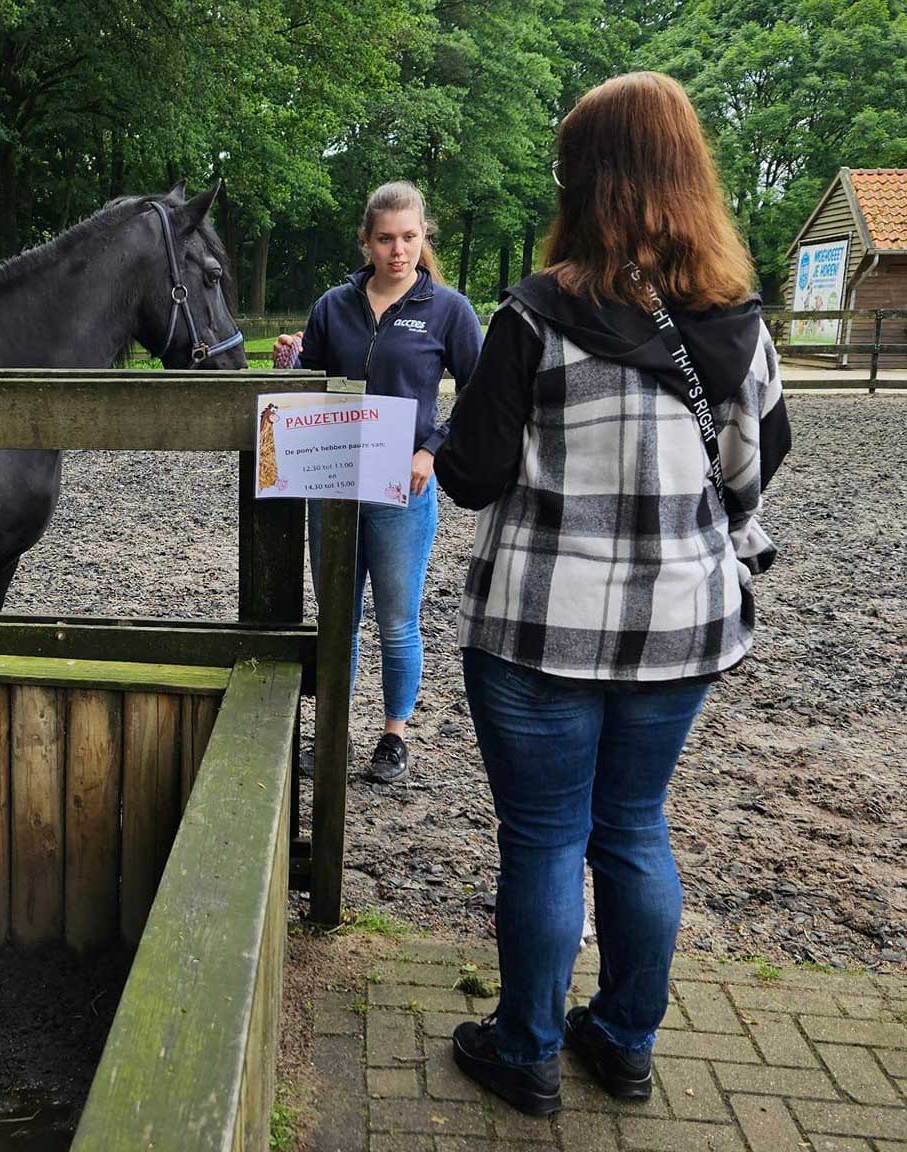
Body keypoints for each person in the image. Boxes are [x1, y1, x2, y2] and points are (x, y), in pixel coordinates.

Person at [434, 71, 792, 1116]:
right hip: (681, 627)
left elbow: (472, 476)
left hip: (541, 628)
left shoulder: (534, 316)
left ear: (585, 182)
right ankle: (626, 1041)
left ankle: (526, 1051)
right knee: (634, 828)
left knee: (544, 838)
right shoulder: (740, 326)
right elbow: (759, 459)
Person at [276, 181, 482, 784]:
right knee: (337, 618)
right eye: (386, 238)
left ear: (424, 237)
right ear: (366, 241)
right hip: (334, 488)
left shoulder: (449, 310)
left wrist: (432, 449)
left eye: (410, 237)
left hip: (403, 491)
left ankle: (393, 737)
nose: (399, 251)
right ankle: (332, 732)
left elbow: (480, 391)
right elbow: (308, 383)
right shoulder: (332, 306)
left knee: (398, 620)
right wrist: (291, 358)